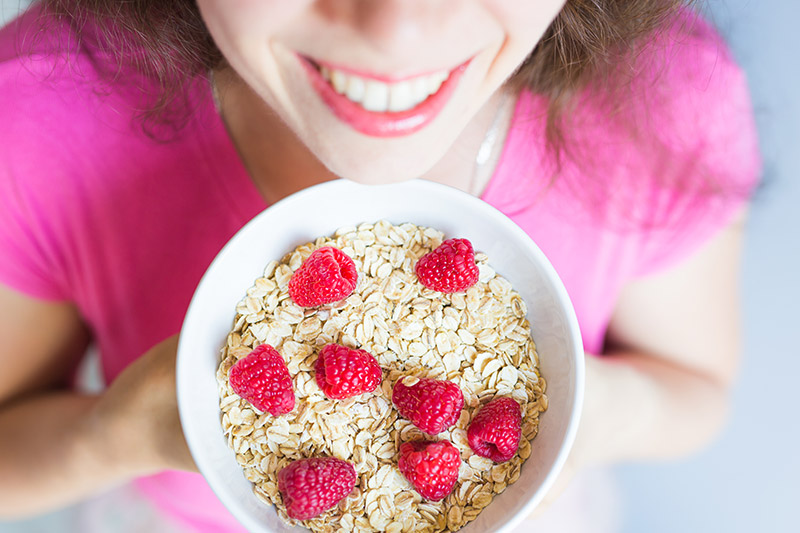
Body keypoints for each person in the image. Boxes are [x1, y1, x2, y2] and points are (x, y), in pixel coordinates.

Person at [0, 0, 760, 531]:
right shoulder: (39, 110)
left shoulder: (660, 104)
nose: (396, 30)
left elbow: (696, 389)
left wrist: (593, 414)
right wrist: (110, 435)